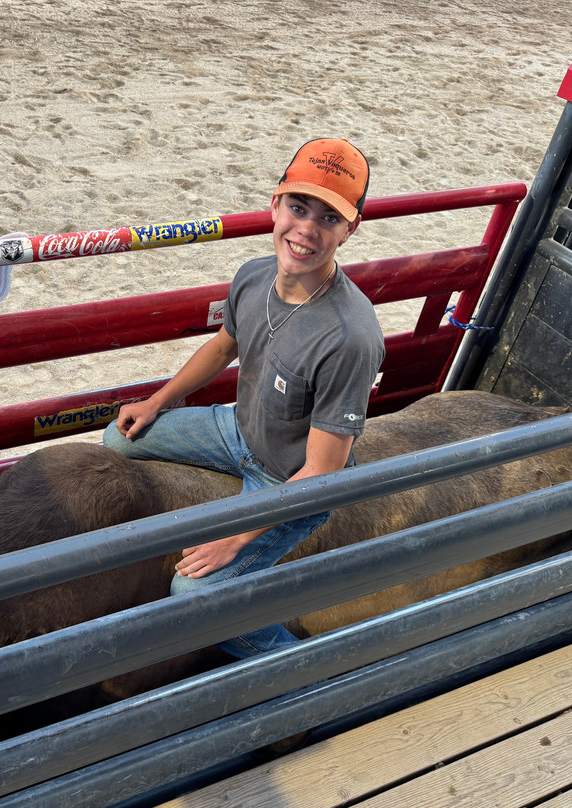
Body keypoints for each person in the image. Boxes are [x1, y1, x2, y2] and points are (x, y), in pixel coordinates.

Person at [103, 138, 385, 659]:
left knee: (195, 598)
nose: (305, 229)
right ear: (274, 204)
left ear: (351, 229)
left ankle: (294, 667)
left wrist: (234, 538)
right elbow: (224, 345)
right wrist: (157, 401)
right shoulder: (254, 275)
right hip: (239, 429)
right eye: (298, 207)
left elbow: (323, 470)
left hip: (289, 477)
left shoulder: (350, 336)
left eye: (328, 218)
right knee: (115, 440)